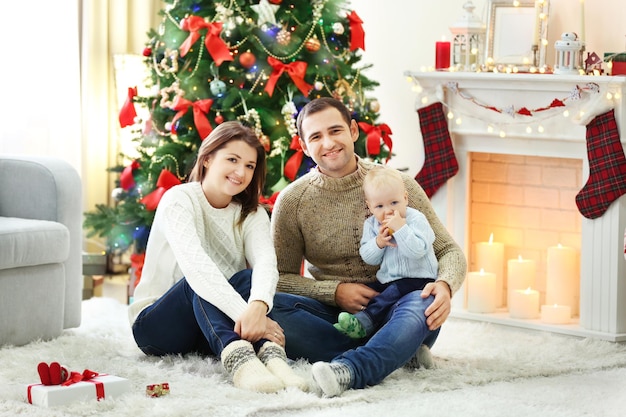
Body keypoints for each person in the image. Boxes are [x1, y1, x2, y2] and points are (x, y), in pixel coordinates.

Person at [270, 97, 467, 397]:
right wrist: (335, 291)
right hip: (338, 317)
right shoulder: (292, 201)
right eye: (316, 137)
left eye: (335, 130)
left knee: (422, 298)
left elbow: (449, 251)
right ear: (304, 145)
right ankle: (396, 351)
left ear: (353, 131)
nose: (328, 143)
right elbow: (280, 277)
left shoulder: (396, 186)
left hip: (401, 307)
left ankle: (352, 370)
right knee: (269, 304)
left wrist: (445, 286)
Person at [128, 121, 307, 393]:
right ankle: (240, 361)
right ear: (208, 158)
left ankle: (272, 357)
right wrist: (252, 319)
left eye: (249, 166)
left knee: (248, 279)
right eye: (232, 159)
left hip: (207, 326)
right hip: (156, 327)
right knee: (197, 281)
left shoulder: (252, 213)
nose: (241, 172)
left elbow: (266, 263)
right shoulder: (179, 199)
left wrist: (258, 308)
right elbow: (198, 270)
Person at [333, 166, 438, 339]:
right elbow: (368, 257)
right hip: (389, 279)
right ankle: (354, 326)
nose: (388, 210)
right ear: (370, 206)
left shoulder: (416, 219)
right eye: (379, 206)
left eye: (394, 203)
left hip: (419, 279)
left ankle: (364, 323)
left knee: (389, 294)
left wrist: (401, 228)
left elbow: (417, 251)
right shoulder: (372, 225)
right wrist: (379, 243)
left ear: (405, 198)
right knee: (369, 292)